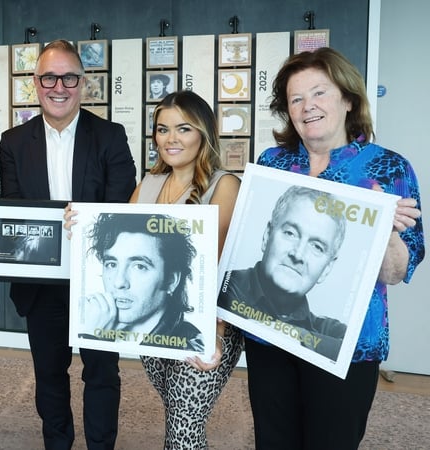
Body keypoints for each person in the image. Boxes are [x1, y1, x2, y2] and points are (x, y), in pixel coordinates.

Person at [245, 47, 424, 450]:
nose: (308, 106)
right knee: (273, 440)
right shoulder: (272, 163)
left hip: (347, 345)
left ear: (347, 99)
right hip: (269, 334)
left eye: (319, 93)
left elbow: (396, 272)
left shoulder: (389, 169)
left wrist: (386, 228)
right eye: (296, 98)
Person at [68, 90, 243, 449]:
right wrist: (78, 224)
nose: (171, 139)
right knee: (180, 417)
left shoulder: (224, 185)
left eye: (183, 129)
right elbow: (118, 236)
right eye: (163, 130)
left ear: (204, 133)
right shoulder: (149, 184)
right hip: (153, 326)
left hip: (205, 327)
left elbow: (222, 269)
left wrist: (218, 334)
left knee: (183, 428)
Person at [0, 39, 136, 449]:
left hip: (99, 281)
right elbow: (13, 213)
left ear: (84, 83)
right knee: (49, 375)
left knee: (101, 374)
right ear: (35, 83)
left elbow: (121, 209)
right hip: (42, 285)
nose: (59, 87)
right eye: (49, 78)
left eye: (69, 77)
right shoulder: (13, 142)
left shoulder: (111, 136)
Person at [218, 185, 348, 360]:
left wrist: (291, 334)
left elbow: (352, 349)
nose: (298, 254)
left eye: (317, 246)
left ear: (327, 269)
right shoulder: (226, 285)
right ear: (266, 236)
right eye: (290, 233)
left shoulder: (329, 329)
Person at [79, 213, 203, 351]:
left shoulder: (190, 350)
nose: (119, 282)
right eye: (112, 264)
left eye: (139, 266)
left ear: (171, 281)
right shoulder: (102, 325)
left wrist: (89, 337)